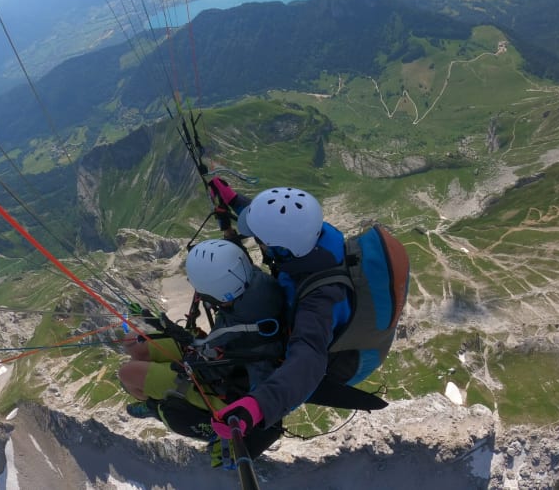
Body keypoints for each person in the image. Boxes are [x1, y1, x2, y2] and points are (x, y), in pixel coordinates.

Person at [205, 180, 407, 441]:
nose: (260, 244)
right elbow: (280, 222)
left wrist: (258, 406)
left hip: (337, 360)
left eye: (263, 242)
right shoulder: (313, 240)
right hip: (321, 323)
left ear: (281, 249)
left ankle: (263, 430)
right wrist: (233, 200)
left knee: (259, 358)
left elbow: (308, 360)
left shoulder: (319, 302)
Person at [117, 238, 286, 457]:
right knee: (132, 342)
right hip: (211, 355)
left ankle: (154, 405)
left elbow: (264, 387)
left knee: (127, 374)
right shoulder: (251, 281)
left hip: (219, 383)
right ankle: (152, 387)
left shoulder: (245, 324)